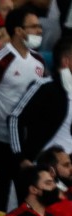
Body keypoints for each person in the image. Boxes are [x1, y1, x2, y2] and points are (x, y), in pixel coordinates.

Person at [0, 6, 45, 211]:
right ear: (18, 30)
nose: (39, 31)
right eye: (33, 27)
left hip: (24, 142)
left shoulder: (38, 61)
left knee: (27, 192)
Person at [9, 38, 72, 166]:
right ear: (66, 61)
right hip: (42, 168)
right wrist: (20, 158)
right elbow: (15, 119)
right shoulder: (45, 87)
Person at [43, 146, 72, 216]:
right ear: (52, 171)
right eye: (66, 165)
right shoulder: (47, 204)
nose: (71, 168)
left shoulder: (68, 194)